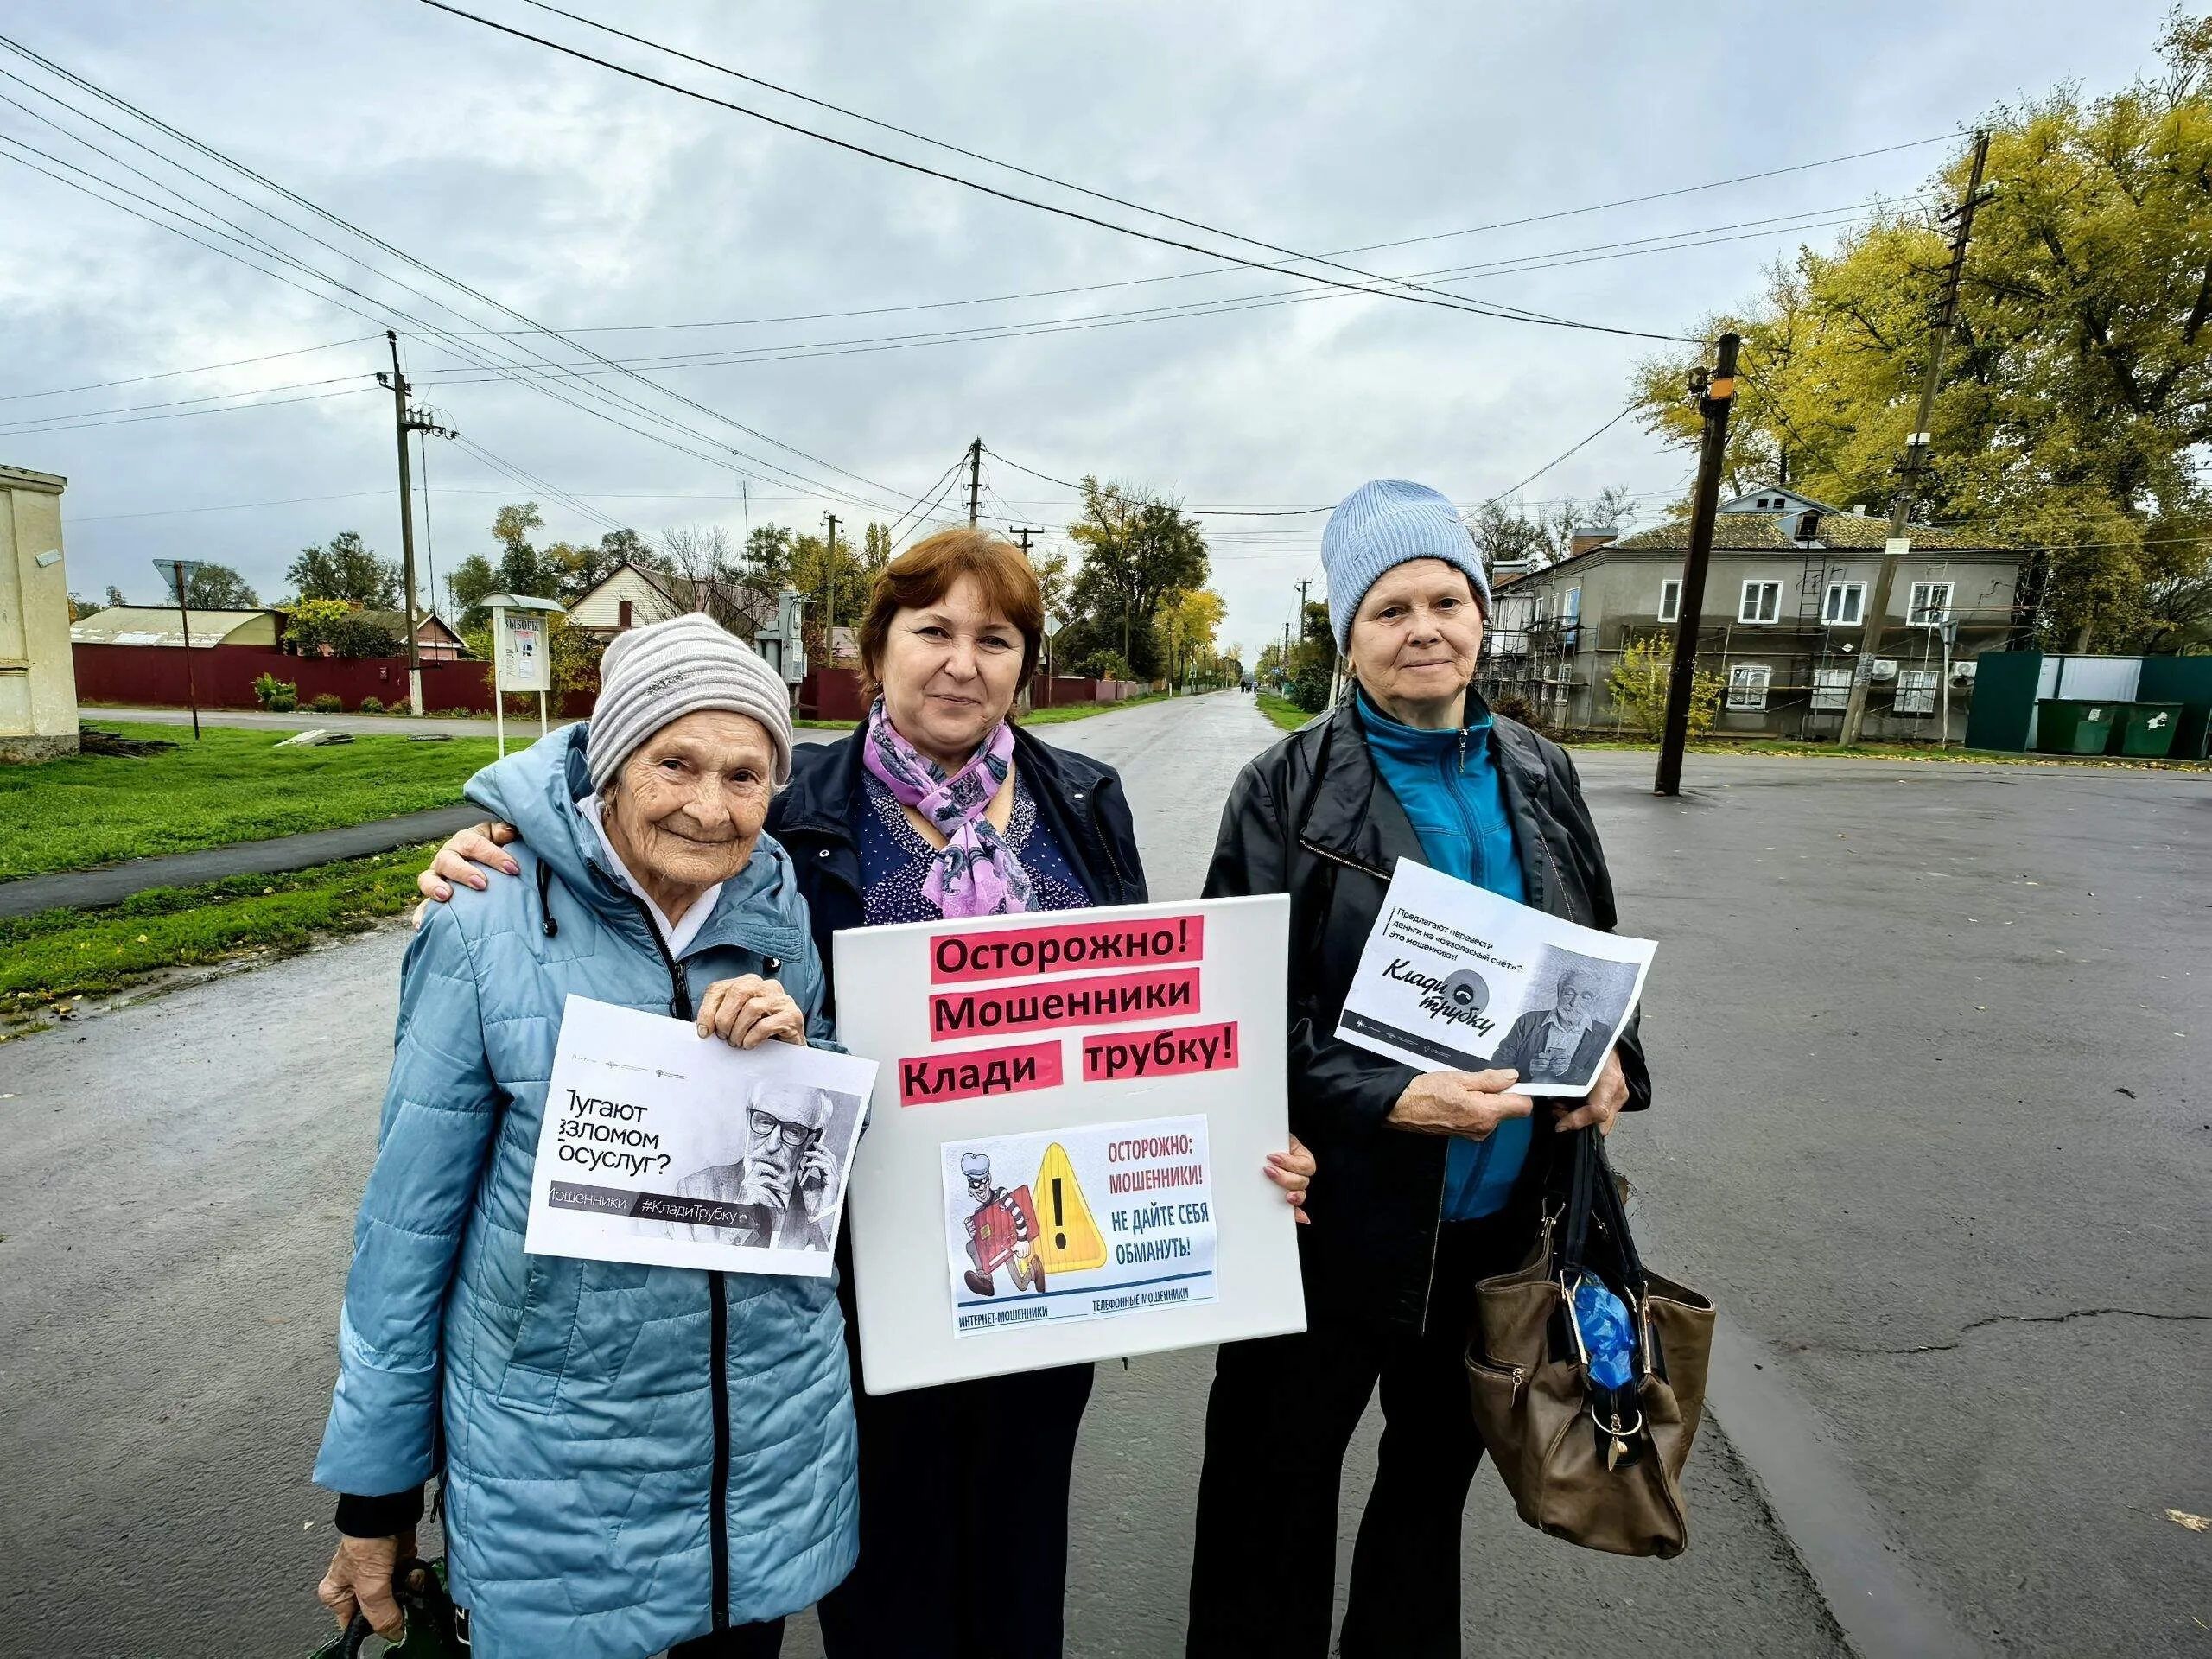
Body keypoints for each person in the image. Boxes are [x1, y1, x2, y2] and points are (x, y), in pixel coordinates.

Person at [416, 527, 1316, 1658]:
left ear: (1024, 662)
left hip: (1041, 1265)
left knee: (1019, 1574)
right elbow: (641, 827)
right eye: (933, 630)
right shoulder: (792, 798)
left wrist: (1234, 1152)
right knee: (889, 1589)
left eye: (996, 639)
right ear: (875, 648)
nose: (963, 663)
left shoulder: (1085, 799)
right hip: (846, 1268)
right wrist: (506, 839)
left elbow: (1135, 1027)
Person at [313, 614, 854, 1659]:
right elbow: (406, 1234)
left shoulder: (780, 900)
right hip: (564, 1469)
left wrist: (797, 1058)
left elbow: (803, 1180)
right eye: (674, 764)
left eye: (745, 776)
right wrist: (374, 1498)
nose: (710, 806)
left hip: (761, 1456)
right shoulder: (482, 916)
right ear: (610, 764)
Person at [1185, 480, 1651, 1658]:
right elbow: (1233, 1018)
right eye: (1389, 610)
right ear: (1348, 637)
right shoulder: (1285, 790)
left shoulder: (1539, 771)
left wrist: (1617, 1060)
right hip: (1332, 1220)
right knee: (1271, 1498)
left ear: (1483, 617)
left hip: (1498, 1226)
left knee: (1428, 1493)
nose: (1425, 630)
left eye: (1448, 601)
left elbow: (1594, 954)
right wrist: (1393, 1098)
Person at [674, 1083, 840, 1251]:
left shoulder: (826, 1201)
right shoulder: (692, 1191)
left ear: (812, 1141)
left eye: (793, 1131)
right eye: (765, 1122)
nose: (772, 1145)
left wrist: (823, 1218)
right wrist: (739, 1217)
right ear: (749, 1120)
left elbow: (823, 1267)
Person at [1488, 966, 1610, 1086]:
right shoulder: (1528, 1021)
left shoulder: (1603, 1034)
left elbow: (1602, 1082)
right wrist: (1528, 1069)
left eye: (1586, 997)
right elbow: (1497, 1065)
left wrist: (1567, 1071)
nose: (1574, 1003)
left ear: (1594, 1002)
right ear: (1559, 992)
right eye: (1569, 993)